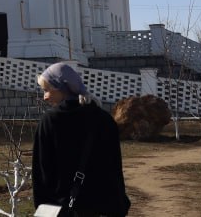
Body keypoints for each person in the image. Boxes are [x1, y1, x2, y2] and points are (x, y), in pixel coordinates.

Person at [32, 62, 131, 217]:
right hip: (100, 206)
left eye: (47, 90)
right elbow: (113, 166)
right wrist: (118, 204)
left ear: (62, 89)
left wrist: (42, 208)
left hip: (63, 208)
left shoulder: (50, 121)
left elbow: (43, 171)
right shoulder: (104, 119)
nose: (44, 97)